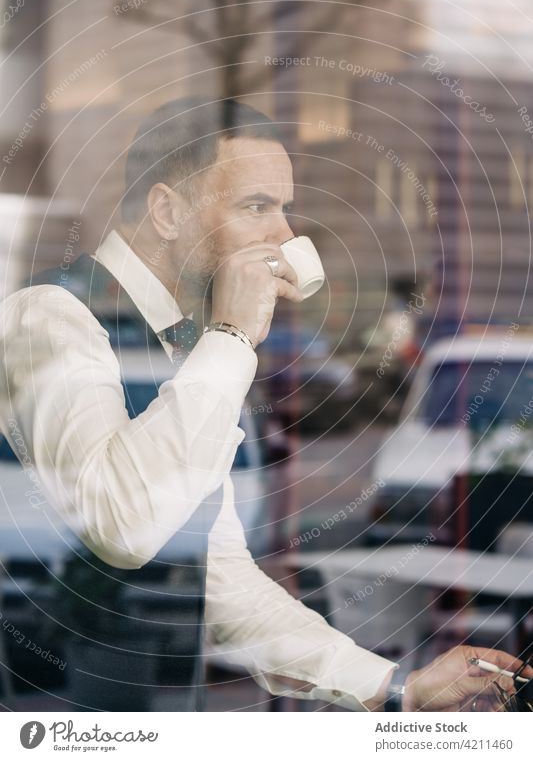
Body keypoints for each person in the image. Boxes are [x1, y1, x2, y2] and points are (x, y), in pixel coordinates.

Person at [0, 97, 525, 712]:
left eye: (285, 209)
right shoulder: (52, 318)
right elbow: (124, 527)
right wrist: (231, 336)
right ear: (167, 212)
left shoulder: (185, 348)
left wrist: (396, 690)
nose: (285, 235)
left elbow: (220, 579)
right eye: (256, 207)